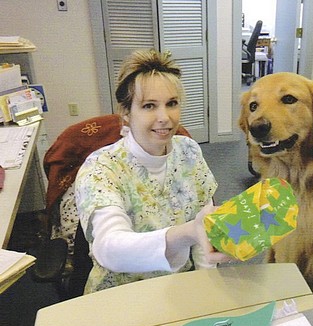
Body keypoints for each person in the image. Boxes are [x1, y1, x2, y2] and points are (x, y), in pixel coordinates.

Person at [75, 49, 231, 293]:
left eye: (172, 104)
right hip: (120, 297)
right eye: (149, 106)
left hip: (180, 288)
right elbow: (109, 248)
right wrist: (186, 233)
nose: (164, 118)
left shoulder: (189, 151)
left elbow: (204, 229)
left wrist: (206, 288)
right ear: (126, 113)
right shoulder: (101, 168)